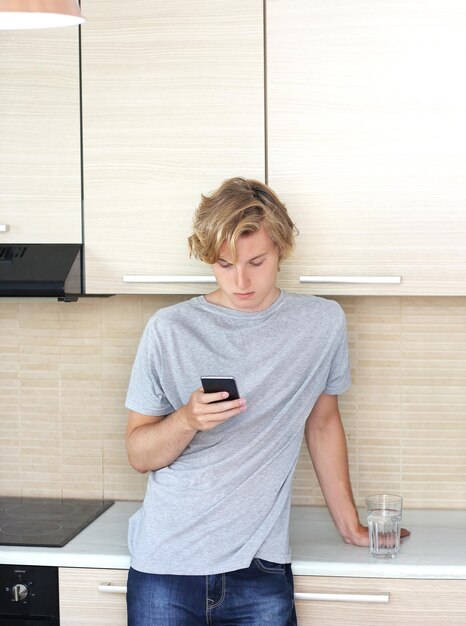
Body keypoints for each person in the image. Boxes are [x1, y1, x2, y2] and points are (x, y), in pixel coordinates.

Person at [125, 177, 369, 625]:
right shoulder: (169, 329)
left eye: (256, 261)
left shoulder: (321, 323)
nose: (241, 280)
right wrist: (186, 419)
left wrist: (349, 524)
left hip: (260, 565)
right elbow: (139, 454)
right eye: (224, 264)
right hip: (165, 563)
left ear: (281, 249)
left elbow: (323, 424)